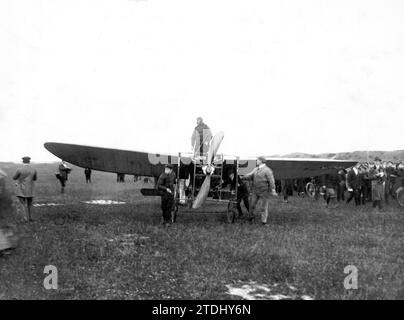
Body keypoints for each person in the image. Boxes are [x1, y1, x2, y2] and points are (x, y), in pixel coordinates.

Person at [242, 156, 277, 225]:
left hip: (264, 191)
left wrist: (273, 189)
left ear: (261, 161)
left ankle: (264, 222)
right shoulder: (256, 169)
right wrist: (242, 177)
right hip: (255, 190)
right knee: (251, 205)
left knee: (263, 206)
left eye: (257, 160)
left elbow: (271, 180)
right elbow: (250, 176)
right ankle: (250, 218)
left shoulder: (267, 170)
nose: (256, 161)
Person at [12, 156, 37, 222]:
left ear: (23, 161)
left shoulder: (19, 169)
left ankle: (24, 218)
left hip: (21, 189)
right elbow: (35, 179)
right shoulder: (34, 169)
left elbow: (14, 178)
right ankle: (31, 218)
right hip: (30, 189)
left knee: (22, 204)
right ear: (29, 161)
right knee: (30, 204)